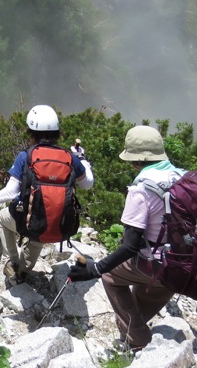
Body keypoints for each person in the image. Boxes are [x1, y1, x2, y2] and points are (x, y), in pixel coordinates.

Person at [67, 125, 186, 353]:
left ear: (135, 159)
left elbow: (130, 246)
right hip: (185, 263)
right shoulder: (183, 177)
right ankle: (131, 331)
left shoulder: (141, 189)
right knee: (144, 292)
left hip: (158, 265)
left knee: (111, 276)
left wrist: (94, 269)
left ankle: (138, 339)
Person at [0, 104, 93, 283]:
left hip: (33, 223)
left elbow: (11, 191)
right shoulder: (69, 157)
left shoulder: (26, 156)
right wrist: (83, 161)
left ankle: (13, 261)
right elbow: (88, 183)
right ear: (56, 132)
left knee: (3, 218)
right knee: (40, 227)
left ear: (31, 132)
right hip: (61, 226)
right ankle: (23, 270)